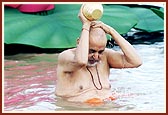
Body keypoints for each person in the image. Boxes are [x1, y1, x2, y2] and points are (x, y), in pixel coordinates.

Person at [55, 5, 142, 105]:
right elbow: (81, 61)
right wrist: (86, 25)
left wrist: (111, 31)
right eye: (91, 51)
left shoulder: (106, 56)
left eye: (100, 51)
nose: (96, 56)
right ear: (79, 42)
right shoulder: (66, 57)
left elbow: (136, 62)